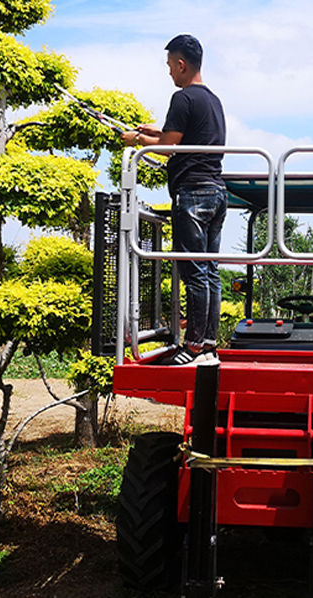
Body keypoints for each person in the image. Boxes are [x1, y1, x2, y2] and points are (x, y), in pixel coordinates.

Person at [122, 34, 227, 366]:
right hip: (215, 191)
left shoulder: (181, 98)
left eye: (170, 66)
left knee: (194, 271)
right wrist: (155, 132)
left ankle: (194, 348)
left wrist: (136, 139)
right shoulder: (212, 101)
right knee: (209, 270)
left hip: (192, 194)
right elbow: (181, 138)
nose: (169, 72)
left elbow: (168, 149)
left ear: (182, 65)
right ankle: (207, 345)